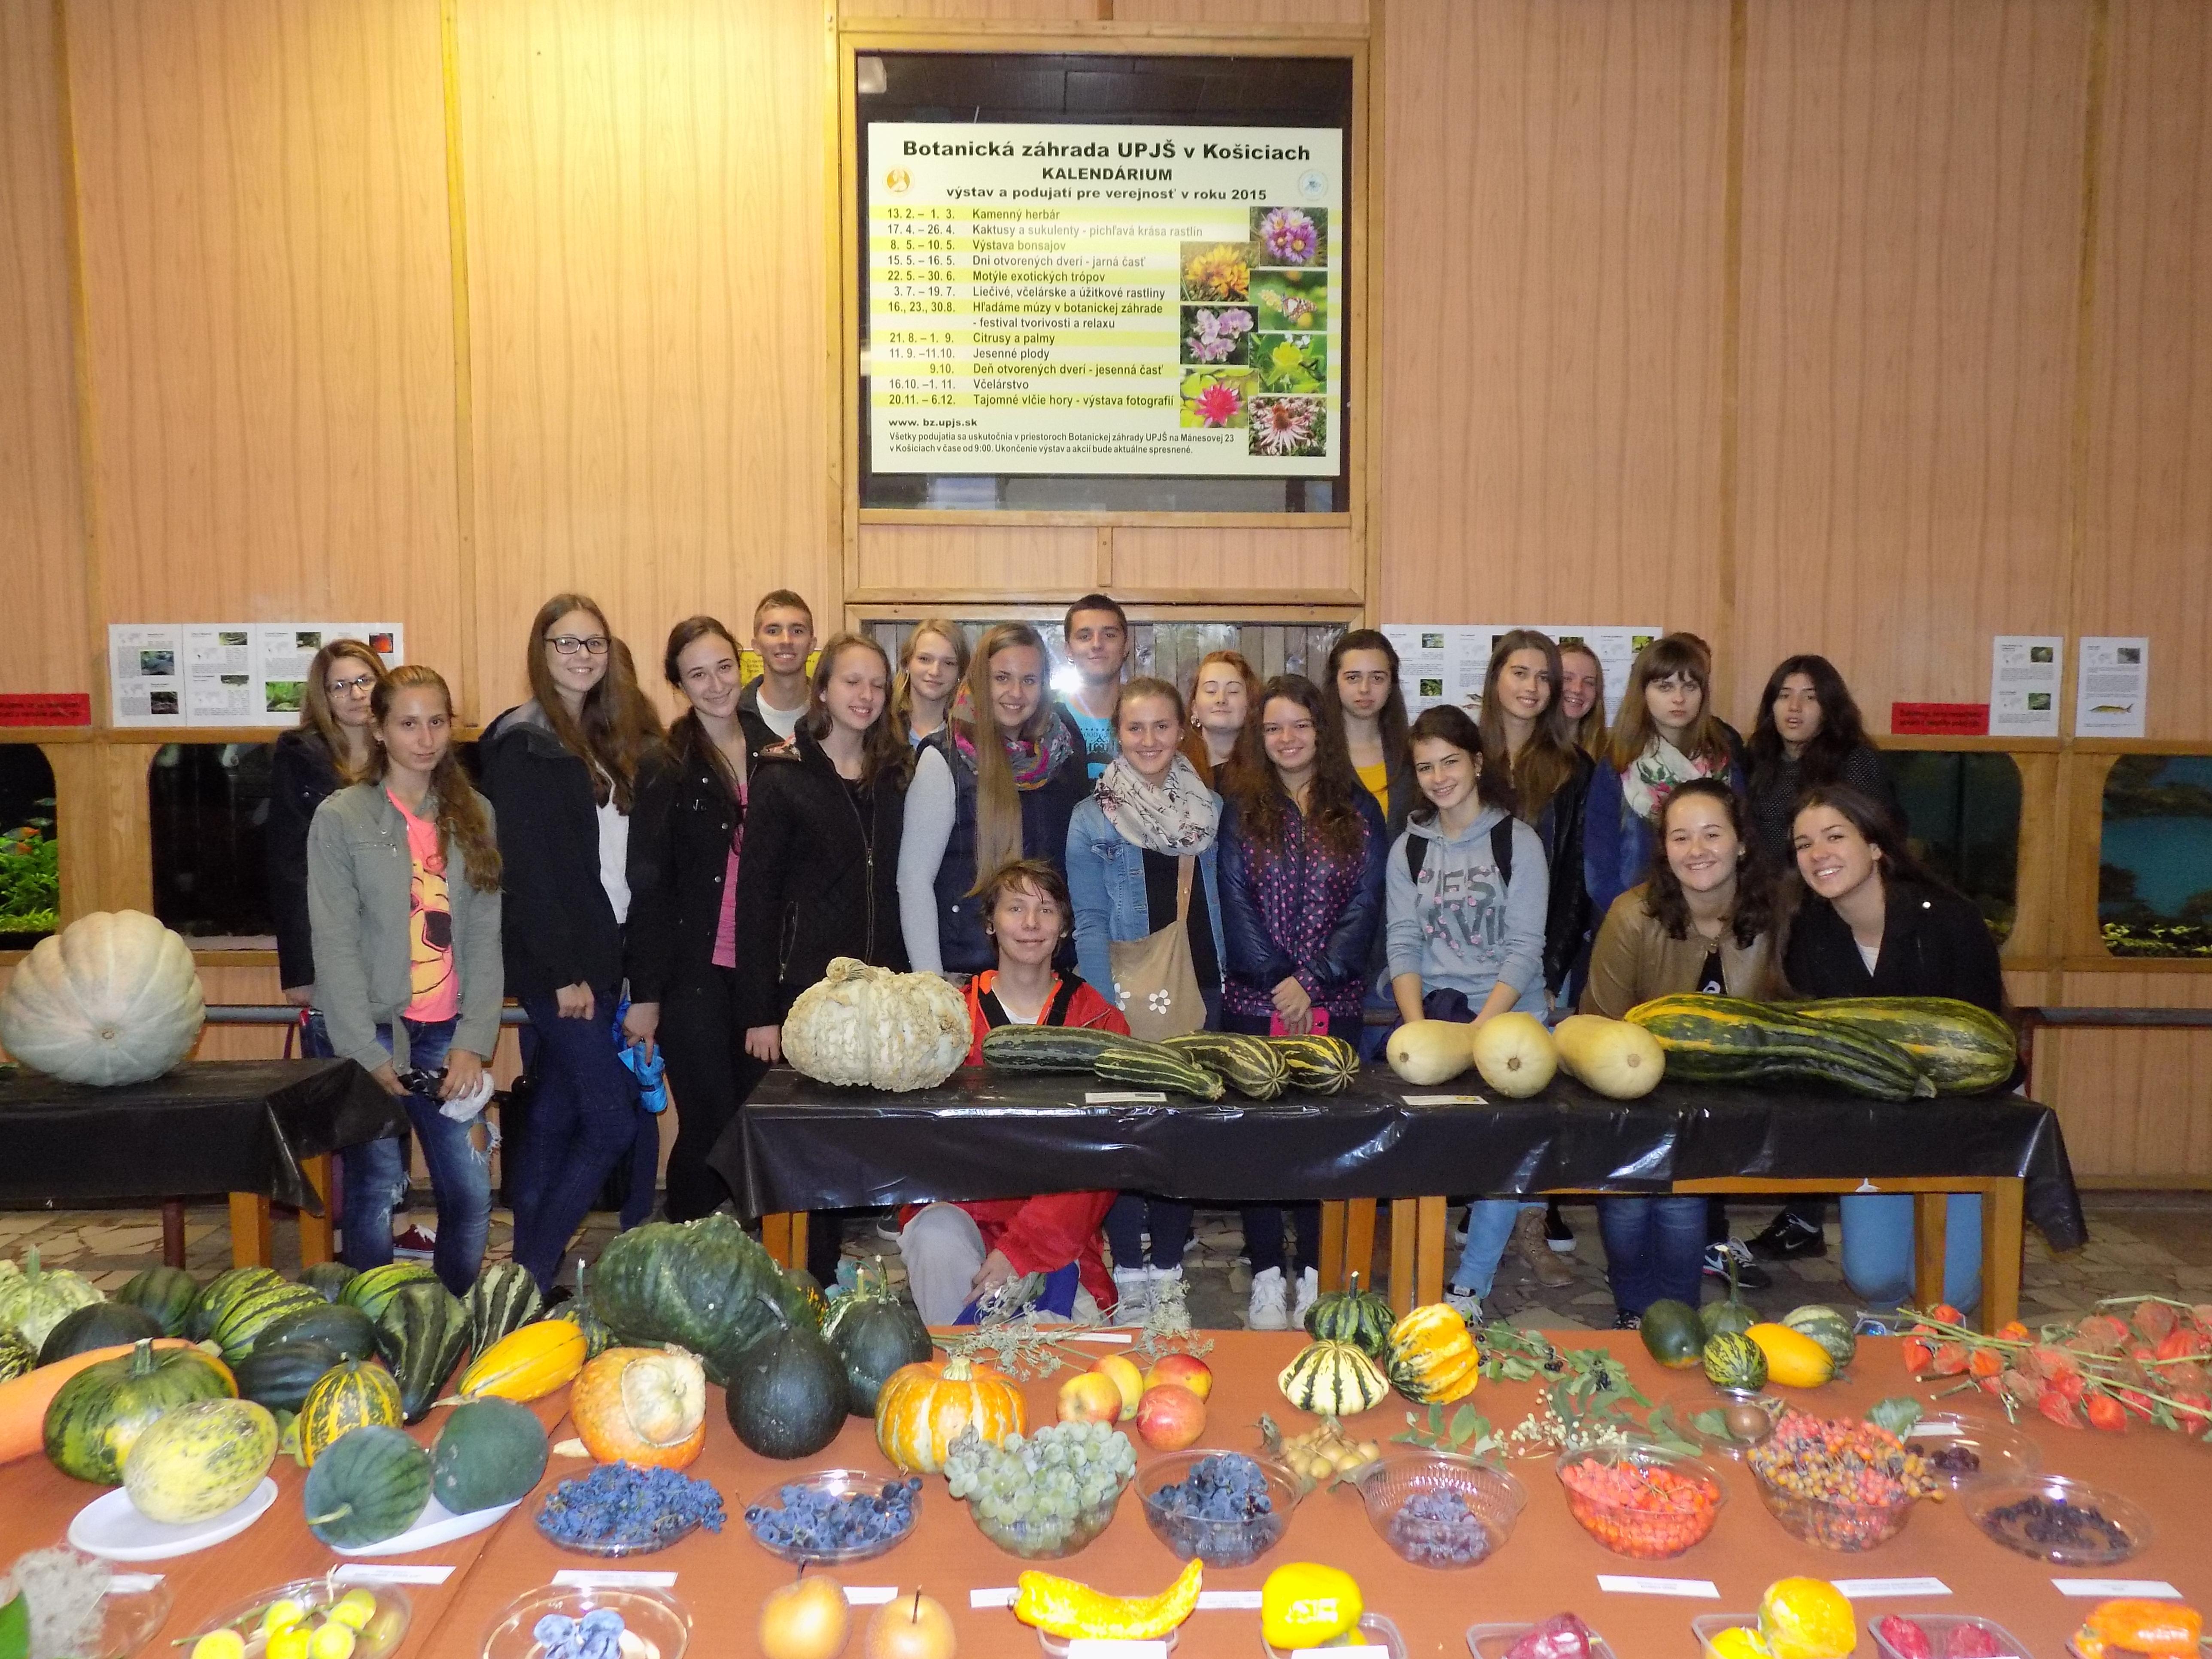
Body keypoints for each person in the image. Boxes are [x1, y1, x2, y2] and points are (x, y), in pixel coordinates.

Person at [481, 594, 663, 1294]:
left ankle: (523, 1277)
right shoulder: (524, 741)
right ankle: (532, 1265)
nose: (582, 655)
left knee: (557, 1113)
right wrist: (562, 973)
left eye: (594, 643)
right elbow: (525, 871)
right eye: (566, 643)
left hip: (605, 957)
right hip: (560, 967)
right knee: (611, 1119)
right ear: (542, 650)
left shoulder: (607, 737)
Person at [308, 664, 501, 1296]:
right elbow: (334, 941)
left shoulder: (475, 814)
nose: (425, 739)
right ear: (380, 730)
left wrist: (473, 1040)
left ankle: (450, 1319)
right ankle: (373, 1322)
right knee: (376, 1191)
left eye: (437, 722)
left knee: (470, 1196)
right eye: (409, 724)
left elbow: (484, 934)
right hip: (369, 1033)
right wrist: (363, 1052)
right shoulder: (342, 817)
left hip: (446, 1034)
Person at [1785, 784, 2008, 1312]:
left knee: (1947, 1292)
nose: (1818, 854)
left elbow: (1989, 1042)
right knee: (1872, 1278)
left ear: (1875, 845)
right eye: (1803, 844)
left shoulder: (1949, 920)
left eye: (1834, 837)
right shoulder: (1809, 931)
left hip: (1961, 1126)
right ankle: (1888, 1340)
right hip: (1874, 1128)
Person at [731, 632, 912, 1284]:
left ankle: (833, 1279)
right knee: (808, 1149)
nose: (865, 696)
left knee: (853, 1142)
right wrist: (760, 1011)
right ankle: (805, 1281)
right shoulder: (782, 775)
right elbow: (755, 902)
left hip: (879, 990)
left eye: (877, 684)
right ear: (824, 689)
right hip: (805, 993)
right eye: (851, 682)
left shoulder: (896, 776)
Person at [1580, 779, 1784, 1325]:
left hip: (1731, 1098)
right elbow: (1599, 1021)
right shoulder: (1631, 915)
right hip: (1638, 1092)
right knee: (1628, 1205)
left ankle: (1677, 1316)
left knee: (1683, 1202)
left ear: (1741, 843)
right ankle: (1632, 1311)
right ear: (1664, 850)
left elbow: (1790, 1019)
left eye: (1712, 834)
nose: (1696, 850)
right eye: (1680, 837)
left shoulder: (1778, 916)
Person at [1220, 674, 1387, 1329]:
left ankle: (1317, 1273)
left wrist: (1312, 980)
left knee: (1322, 1141)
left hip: (1333, 1003)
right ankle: (1267, 1275)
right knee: (1257, 1146)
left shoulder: (1359, 808)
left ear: (1323, 730)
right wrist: (1278, 979)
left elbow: (1366, 906)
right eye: (1273, 728)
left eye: (1300, 725)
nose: (1287, 739)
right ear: (1259, 738)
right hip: (1252, 1001)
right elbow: (1233, 900)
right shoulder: (1240, 806)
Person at [898, 859, 1125, 1325]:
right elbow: (925, 1147)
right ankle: (959, 1361)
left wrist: (1020, 1250)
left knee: (1062, 1359)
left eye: (1046, 910)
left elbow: (1104, 1161)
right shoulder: (948, 1021)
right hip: (966, 1217)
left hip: (1056, 1236)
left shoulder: (1098, 1022)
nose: (1031, 923)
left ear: (1063, 927)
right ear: (991, 923)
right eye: (1015, 908)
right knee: (933, 1236)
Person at [1066, 678, 1229, 1324]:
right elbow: (1087, 920)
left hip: (1201, 986)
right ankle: (1130, 1274)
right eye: (1136, 728)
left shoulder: (1210, 808)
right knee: (1128, 1134)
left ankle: (1167, 1271)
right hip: (1124, 993)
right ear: (1118, 735)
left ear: (1182, 730)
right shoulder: (1092, 816)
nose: (1150, 740)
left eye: (1163, 726)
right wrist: (1104, 1011)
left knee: (1181, 1135)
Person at [1383, 705, 1553, 1318]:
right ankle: (1417, 1264)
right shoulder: (1409, 849)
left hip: (1509, 1018)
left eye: (1450, 762)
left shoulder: (1518, 842)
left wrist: (1483, 1031)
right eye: (1425, 767)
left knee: (1498, 1154)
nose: (1439, 777)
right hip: (1437, 1013)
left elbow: (1525, 947)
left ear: (1478, 762)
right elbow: (1403, 941)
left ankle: (1471, 1284)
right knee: (1425, 1150)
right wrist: (1416, 1029)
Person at [1742, 654, 1903, 1262]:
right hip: (1774, 920)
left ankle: (1807, 1212)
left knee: (1828, 1059)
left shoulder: (1853, 761)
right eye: (1784, 694)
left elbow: (1875, 841)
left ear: (1829, 705)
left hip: (1832, 923)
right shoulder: (1759, 760)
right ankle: (1801, 1209)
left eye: (1809, 696)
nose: (1795, 707)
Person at [266, 641, 424, 1259]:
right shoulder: (301, 758)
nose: (356, 694)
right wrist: (300, 968)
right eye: (341, 685)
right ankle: (349, 1243)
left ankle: (394, 1223)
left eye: (365, 680)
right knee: (350, 1108)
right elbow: (286, 867)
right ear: (322, 696)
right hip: (335, 962)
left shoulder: (404, 750)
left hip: (401, 957)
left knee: (397, 1093)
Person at [623, 616, 757, 1224]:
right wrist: (646, 995)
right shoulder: (665, 762)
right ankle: (685, 1248)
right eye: (698, 674)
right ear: (678, 684)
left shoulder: (773, 749)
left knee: (757, 1118)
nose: (715, 684)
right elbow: (648, 886)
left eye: (724, 668)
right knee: (708, 1121)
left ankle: (754, 1254)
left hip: (757, 973)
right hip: (691, 974)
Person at [899, 623, 1088, 979]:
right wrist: (930, 984)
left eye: (1029, 680)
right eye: (1002, 678)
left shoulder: (1062, 755)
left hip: (1050, 971)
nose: (1016, 692)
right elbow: (914, 881)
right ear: (980, 681)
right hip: (966, 974)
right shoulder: (944, 757)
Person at [1322, 630, 1415, 1062]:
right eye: (1353, 677)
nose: (1365, 689)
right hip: (1329, 932)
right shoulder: (1314, 753)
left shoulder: (1413, 755)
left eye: (1377, 678)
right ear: (1335, 682)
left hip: (1399, 929)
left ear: (1392, 684)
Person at [1060, 594, 1131, 781]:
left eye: (1109, 635)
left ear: (1126, 646)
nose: (1097, 644)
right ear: (1068, 650)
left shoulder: (1149, 717)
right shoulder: (1046, 719)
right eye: (1085, 637)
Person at [738, 590, 817, 752]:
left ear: (812, 645)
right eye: (773, 631)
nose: (786, 641)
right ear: (756, 646)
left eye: (797, 631)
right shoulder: (734, 716)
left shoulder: (833, 713)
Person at [1180, 650, 1260, 787]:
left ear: (1250, 704)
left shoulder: (1268, 771)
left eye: (1233, 691)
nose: (1221, 699)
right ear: (1194, 708)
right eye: (1211, 691)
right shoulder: (1174, 768)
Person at [893, 619, 971, 749]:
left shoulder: (970, 738)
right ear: (907, 664)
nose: (935, 672)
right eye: (925, 659)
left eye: (948, 663)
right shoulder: (881, 728)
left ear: (961, 672)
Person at [1559, 642, 1609, 759]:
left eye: (1589, 682)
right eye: (1567, 678)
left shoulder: (1611, 755)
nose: (1578, 689)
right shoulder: (1521, 749)